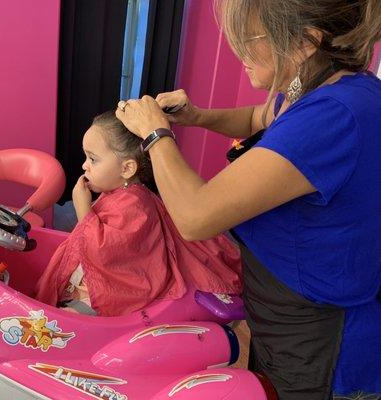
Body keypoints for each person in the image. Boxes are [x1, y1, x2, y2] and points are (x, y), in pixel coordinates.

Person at [115, 1, 381, 399]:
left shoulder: (335, 116)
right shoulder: (324, 84)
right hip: (281, 312)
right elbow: (263, 118)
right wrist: (198, 116)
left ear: (306, 41)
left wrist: (156, 134)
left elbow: (195, 215)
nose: (239, 53)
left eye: (250, 40)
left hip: (319, 339)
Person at [35, 111, 242, 316]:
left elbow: (105, 251)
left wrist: (83, 209)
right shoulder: (119, 192)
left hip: (112, 293)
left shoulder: (134, 205)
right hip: (93, 278)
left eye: (93, 159)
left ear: (127, 168)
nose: (84, 165)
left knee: (62, 321)